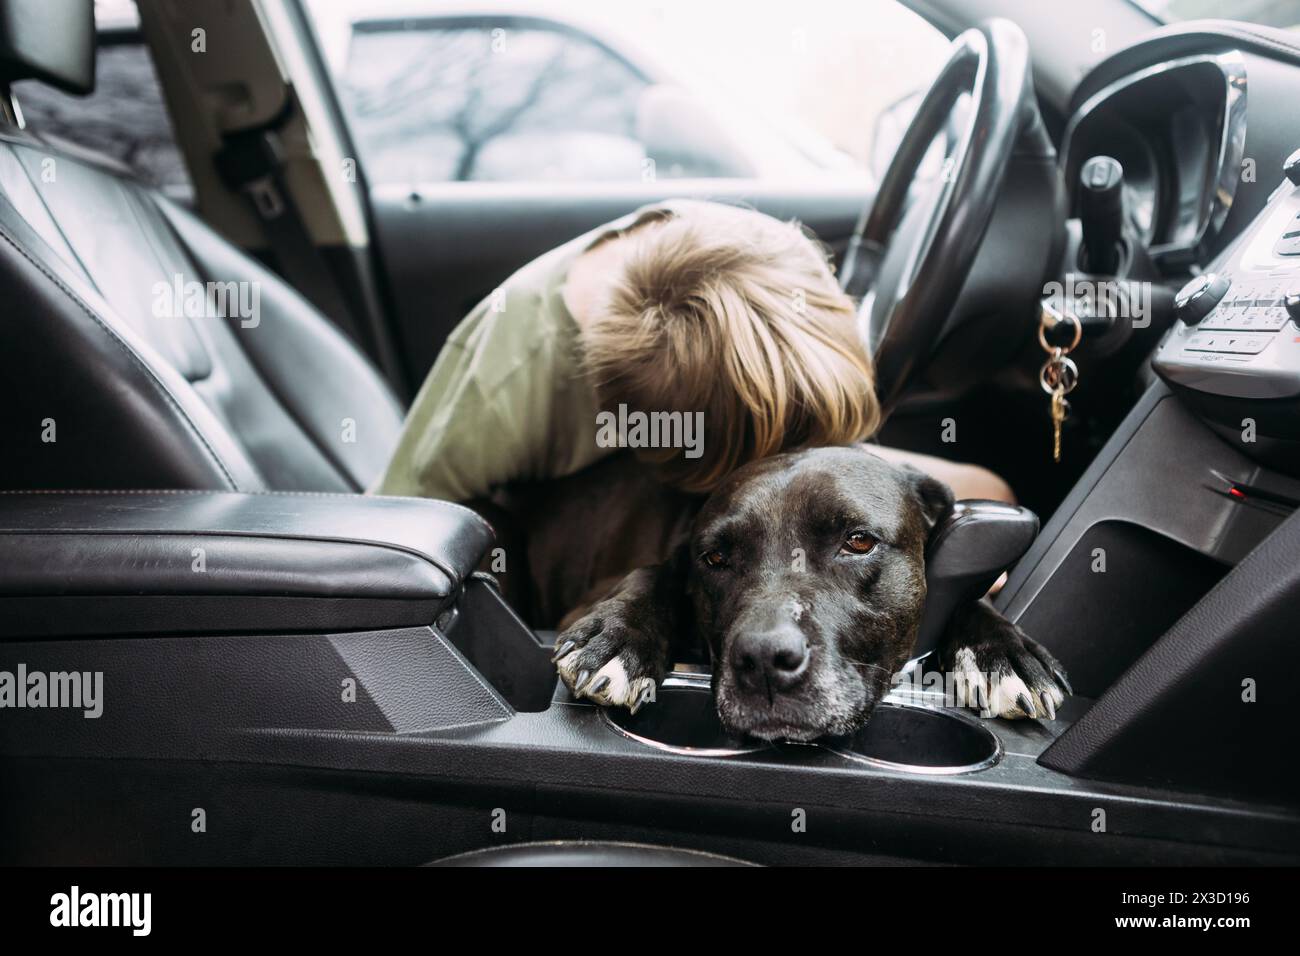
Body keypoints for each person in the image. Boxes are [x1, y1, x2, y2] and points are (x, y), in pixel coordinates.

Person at [373, 199, 1012, 508]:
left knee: (990, 494)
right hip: (603, 514)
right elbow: (394, 541)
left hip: (729, 432)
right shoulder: (502, 387)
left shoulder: (763, 249)